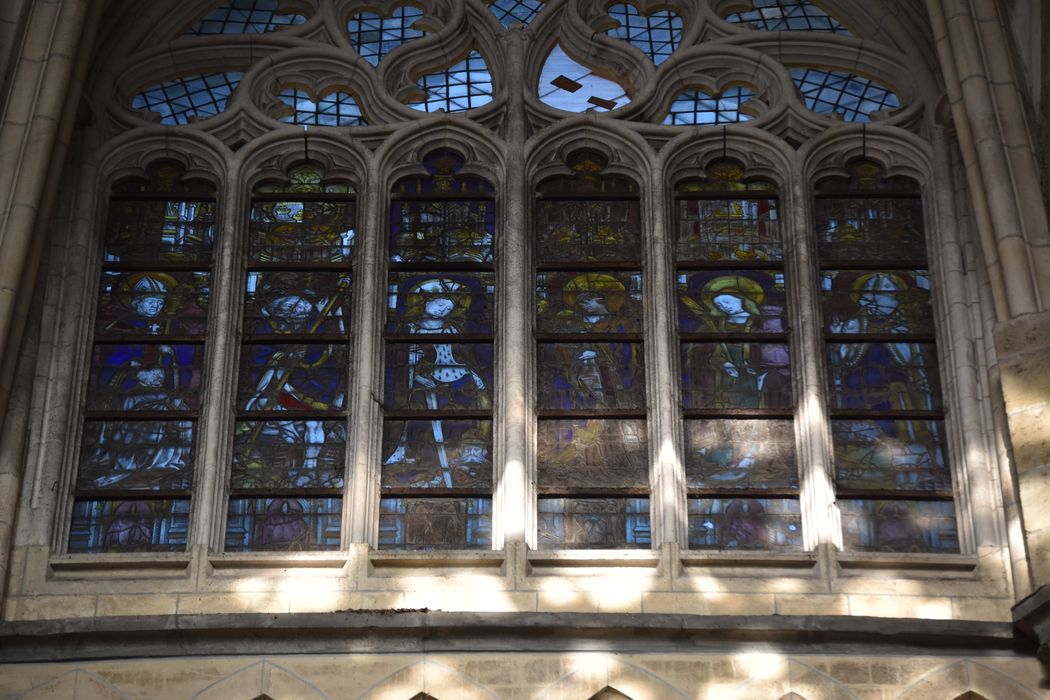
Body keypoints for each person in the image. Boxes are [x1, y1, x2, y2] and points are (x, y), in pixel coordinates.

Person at [383, 278, 490, 488]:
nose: (443, 310)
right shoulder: (411, 330)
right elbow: (402, 363)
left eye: (448, 308)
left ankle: (457, 459)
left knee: (464, 411)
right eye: (440, 305)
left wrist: (477, 382)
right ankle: (418, 459)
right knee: (417, 415)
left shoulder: (452, 331)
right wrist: (417, 371)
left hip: (455, 381)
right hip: (419, 386)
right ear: (425, 302)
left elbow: (465, 358)